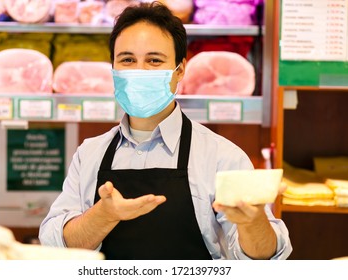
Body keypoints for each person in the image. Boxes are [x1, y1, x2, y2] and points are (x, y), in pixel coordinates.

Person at [39, 1, 292, 260]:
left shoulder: (222, 156)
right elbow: (55, 246)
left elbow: (266, 259)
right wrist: (103, 216)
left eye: (154, 60)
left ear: (180, 70)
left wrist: (253, 223)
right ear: (113, 68)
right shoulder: (89, 154)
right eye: (127, 59)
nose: (139, 71)